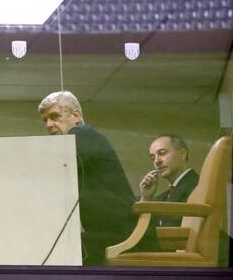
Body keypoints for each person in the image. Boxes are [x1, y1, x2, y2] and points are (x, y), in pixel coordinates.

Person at [38, 91, 156, 265]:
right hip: (113, 232)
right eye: (45, 120)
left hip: (122, 235)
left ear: (76, 115)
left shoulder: (82, 133)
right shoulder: (82, 139)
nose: (49, 124)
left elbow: (50, 174)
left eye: (55, 116)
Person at [138, 134, 199, 227]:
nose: (157, 161)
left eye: (162, 153)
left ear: (182, 154)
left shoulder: (198, 186)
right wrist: (146, 198)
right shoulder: (162, 198)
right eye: (153, 158)